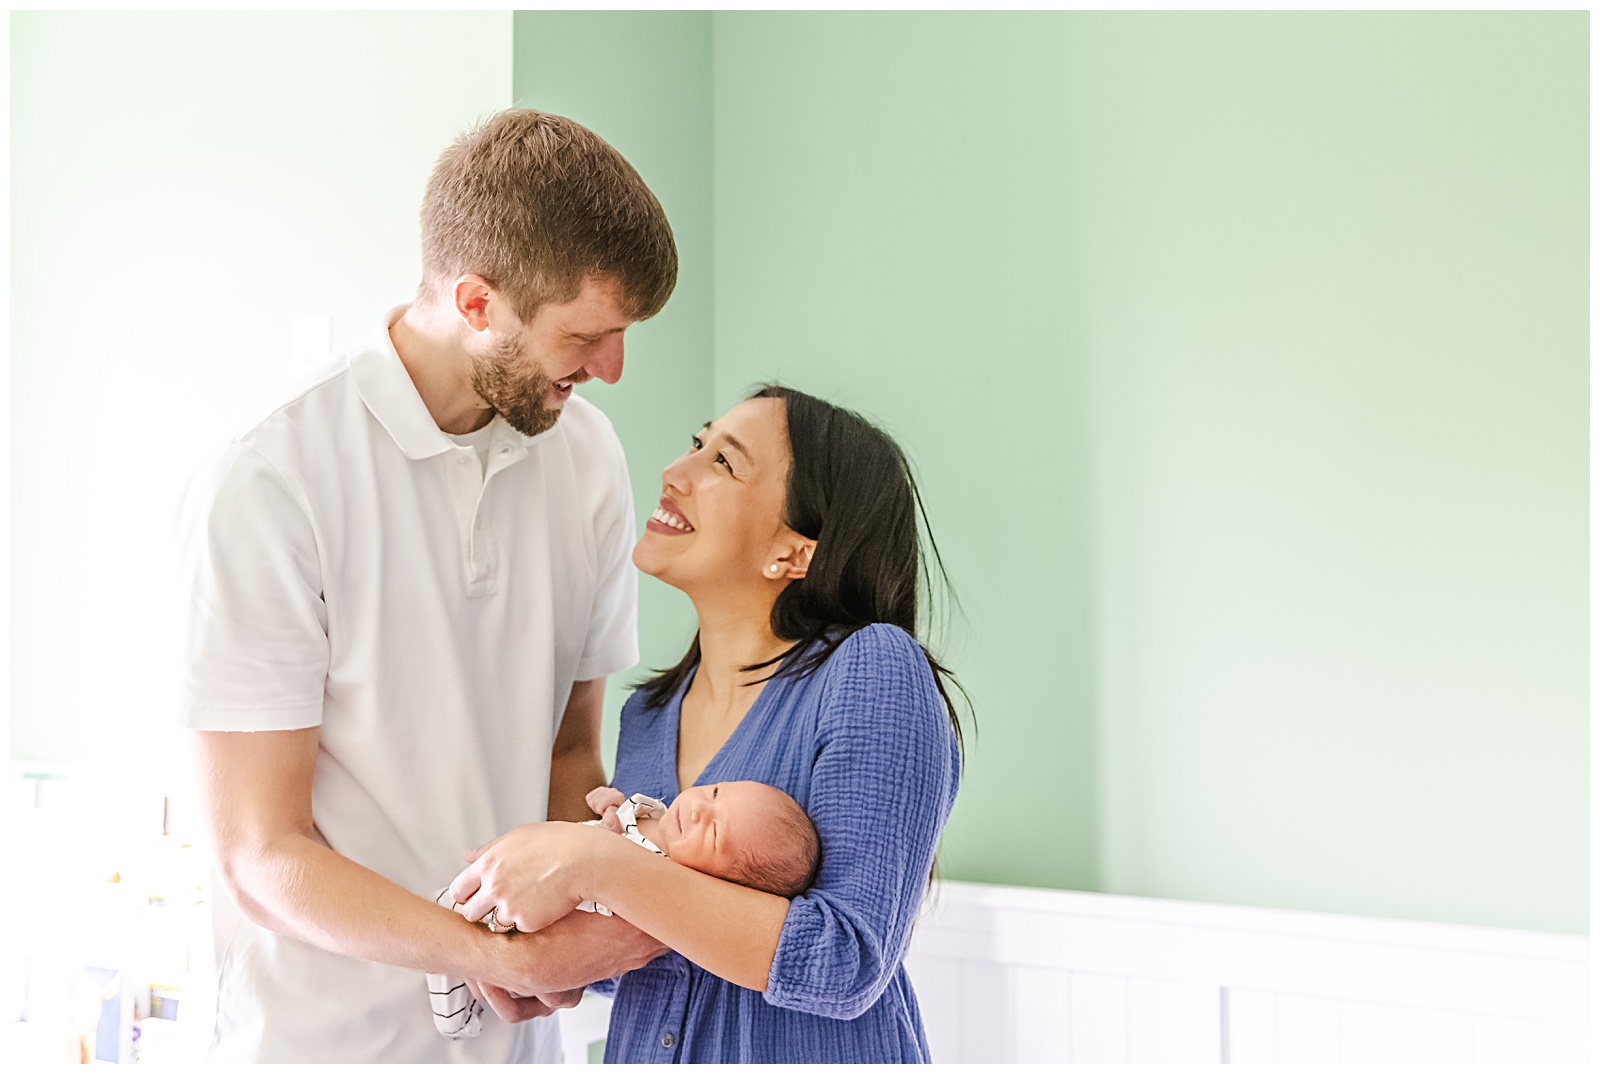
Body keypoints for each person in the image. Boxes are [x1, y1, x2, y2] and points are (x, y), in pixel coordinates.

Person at [176, 109, 678, 1062]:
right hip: (320, 1044)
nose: (611, 368)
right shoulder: (271, 480)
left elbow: (569, 750)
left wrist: (600, 881)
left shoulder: (587, 460)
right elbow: (259, 856)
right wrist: (493, 955)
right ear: (477, 301)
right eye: (588, 334)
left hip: (515, 1043)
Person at [448, 385, 968, 1063]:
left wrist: (594, 864)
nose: (674, 471)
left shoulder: (872, 669)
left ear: (794, 551)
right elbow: (662, 951)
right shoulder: (649, 715)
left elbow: (845, 962)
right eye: (697, 445)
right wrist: (549, 960)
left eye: (724, 462)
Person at [428, 781, 819, 1040]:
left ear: (720, 887)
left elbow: (613, 902)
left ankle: (455, 1015)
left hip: (530, 926)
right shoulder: (656, 811)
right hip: (514, 879)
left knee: (459, 979)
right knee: (456, 905)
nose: (699, 808)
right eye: (716, 792)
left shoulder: (664, 879)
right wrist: (609, 807)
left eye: (714, 833)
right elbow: (613, 820)